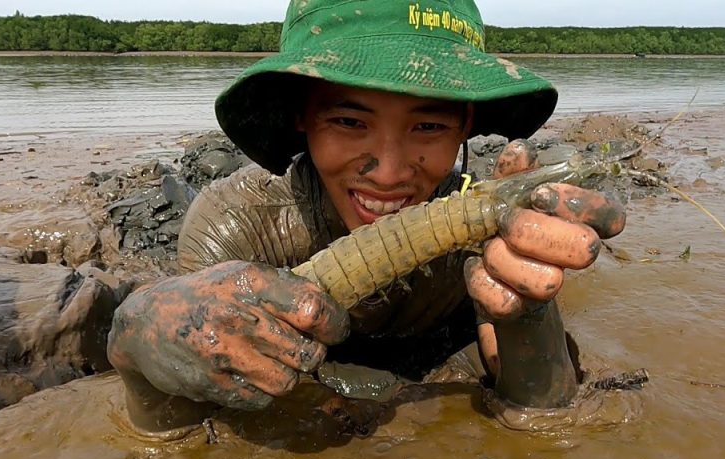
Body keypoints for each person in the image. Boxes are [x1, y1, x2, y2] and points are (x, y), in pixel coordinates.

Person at [107, 0, 625, 432]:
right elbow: (180, 431)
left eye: (428, 127)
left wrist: (529, 312)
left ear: (466, 125)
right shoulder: (236, 227)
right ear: (301, 114)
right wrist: (135, 350)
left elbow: (542, 414)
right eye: (349, 121)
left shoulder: (487, 232)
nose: (389, 173)